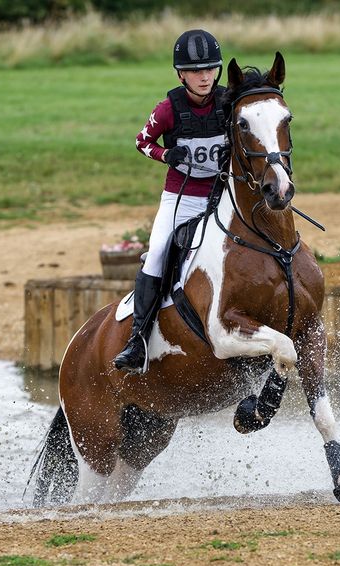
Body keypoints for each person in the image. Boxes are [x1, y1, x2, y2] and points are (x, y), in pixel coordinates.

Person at [113, 29, 227, 373]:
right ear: (181, 74)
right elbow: (141, 141)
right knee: (159, 252)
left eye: (210, 69)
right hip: (183, 198)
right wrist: (166, 154)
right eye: (195, 71)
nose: (204, 77)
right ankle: (137, 341)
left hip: (222, 198)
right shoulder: (168, 108)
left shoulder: (228, 101)